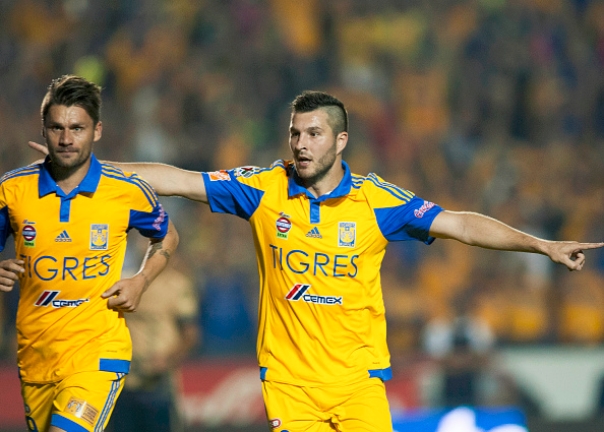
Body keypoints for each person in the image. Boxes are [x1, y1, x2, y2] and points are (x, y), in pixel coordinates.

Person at [29, 91, 604, 432]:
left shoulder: (378, 201)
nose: (300, 144)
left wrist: (542, 245)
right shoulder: (264, 189)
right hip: (291, 385)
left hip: (359, 384)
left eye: (314, 133)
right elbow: (181, 181)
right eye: (294, 133)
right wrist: (91, 172)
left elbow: (460, 224)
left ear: (341, 141)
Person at [1, 74, 179, 432]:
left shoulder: (125, 192)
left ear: (97, 130)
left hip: (99, 353)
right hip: (36, 356)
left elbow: (168, 236)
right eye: (57, 128)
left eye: (77, 128)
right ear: (44, 129)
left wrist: (141, 281)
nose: (66, 139)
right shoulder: (13, 190)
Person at [106, 254, 199, 432]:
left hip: (158, 383)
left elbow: (190, 335)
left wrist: (167, 360)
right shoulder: (124, 280)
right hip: (124, 379)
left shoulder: (177, 285)